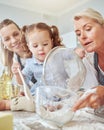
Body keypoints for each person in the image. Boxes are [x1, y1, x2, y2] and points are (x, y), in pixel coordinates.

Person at [0, 22, 63, 111]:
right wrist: (22, 89)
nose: (13, 40)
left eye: (16, 34)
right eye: (7, 39)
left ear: (22, 34)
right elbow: (22, 83)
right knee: (31, 103)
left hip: (58, 91)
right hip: (39, 95)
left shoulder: (53, 53)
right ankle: (7, 104)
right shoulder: (18, 64)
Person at [72, 8, 104, 111]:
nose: (82, 37)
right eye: (78, 34)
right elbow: (90, 92)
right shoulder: (89, 60)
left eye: (88, 29)